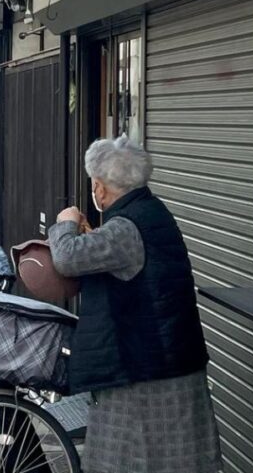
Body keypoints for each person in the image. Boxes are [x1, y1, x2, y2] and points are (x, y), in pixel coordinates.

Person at [48, 136, 221, 473]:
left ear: (99, 188)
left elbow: (67, 258)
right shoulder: (150, 212)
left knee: (137, 458)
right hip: (167, 361)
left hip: (146, 370)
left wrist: (65, 221)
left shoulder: (126, 228)